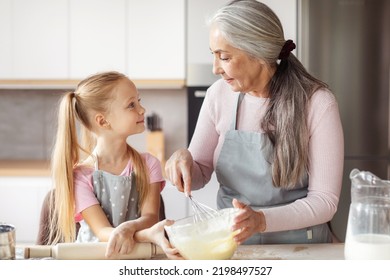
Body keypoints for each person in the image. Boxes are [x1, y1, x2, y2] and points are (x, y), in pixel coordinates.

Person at [165, 0, 344, 245]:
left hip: (303, 248)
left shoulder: (317, 103)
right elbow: (198, 173)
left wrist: (260, 220)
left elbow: (324, 201)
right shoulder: (218, 95)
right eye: (213, 55)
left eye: (224, 57)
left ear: (258, 53)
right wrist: (182, 162)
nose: (216, 68)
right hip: (234, 246)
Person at [48, 71, 180, 259]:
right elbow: (102, 232)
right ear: (103, 120)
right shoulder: (81, 175)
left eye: (139, 101)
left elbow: (150, 218)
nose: (142, 109)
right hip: (93, 262)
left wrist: (129, 227)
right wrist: (144, 234)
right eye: (131, 105)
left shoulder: (149, 164)